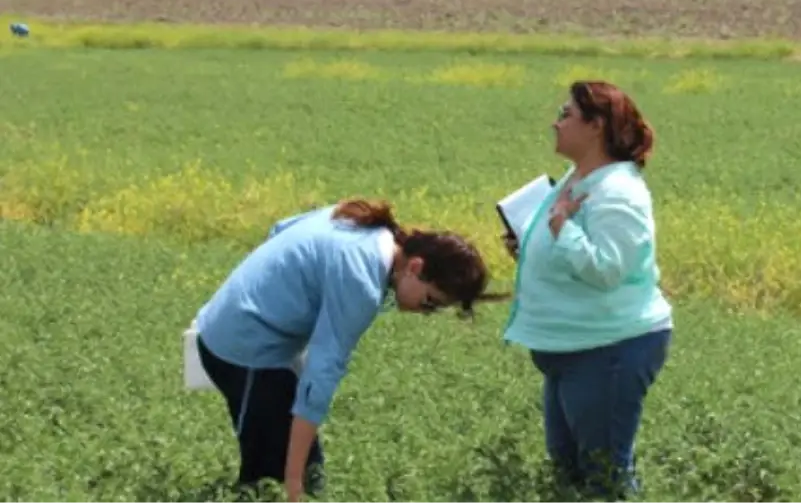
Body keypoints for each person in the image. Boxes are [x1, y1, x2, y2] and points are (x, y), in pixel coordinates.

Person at [193, 198, 506, 502]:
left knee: (308, 469)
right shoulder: (361, 279)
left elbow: (280, 229)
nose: (425, 312)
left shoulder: (368, 227)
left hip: (247, 332)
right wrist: (292, 483)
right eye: (430, 302)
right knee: (267, 481)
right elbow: (321, 376)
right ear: (415, 266)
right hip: (244, 348)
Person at [501, 80, 673, 500]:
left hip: (608, 349)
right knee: (568, 468)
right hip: (571, 346)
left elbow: (607, 270)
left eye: (565, 114)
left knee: (605, 478)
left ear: (595, 126)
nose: (555, 122)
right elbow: (572, 246)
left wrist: (560, 228)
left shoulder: (619, 193)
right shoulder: (578, 178)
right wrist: (531, 245)